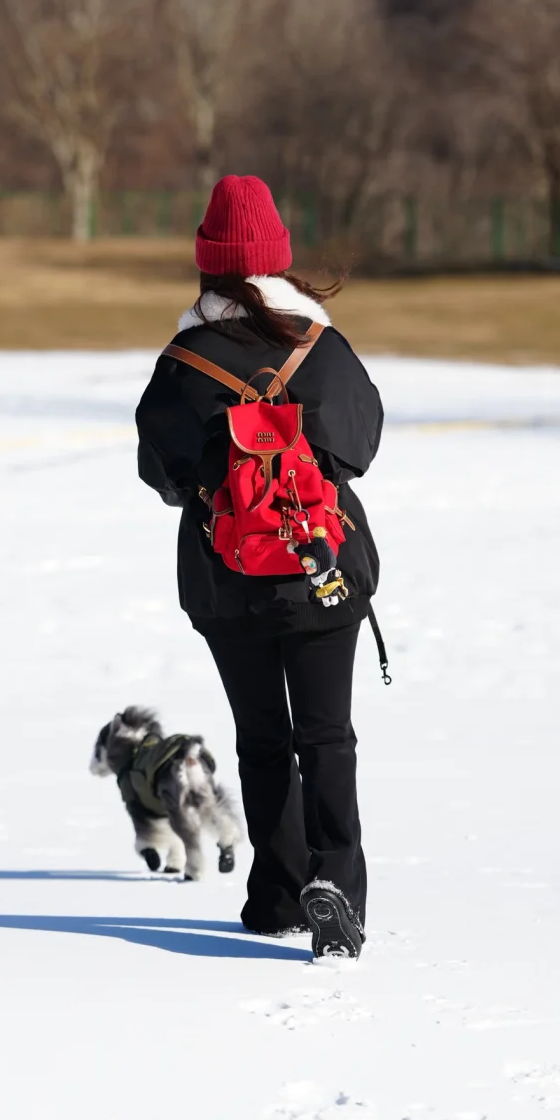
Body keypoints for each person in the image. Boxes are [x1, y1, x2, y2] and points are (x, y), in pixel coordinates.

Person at [135, 175, 383, 958]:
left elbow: (159, 472)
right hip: (322, 570)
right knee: (327, 735)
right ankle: (336, 886)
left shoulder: (184, 359)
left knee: (262, 738)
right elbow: (361, 446)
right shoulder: (323, 347)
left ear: (207, 260)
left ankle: (277, 894)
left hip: (224, 577)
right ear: (277, 255)